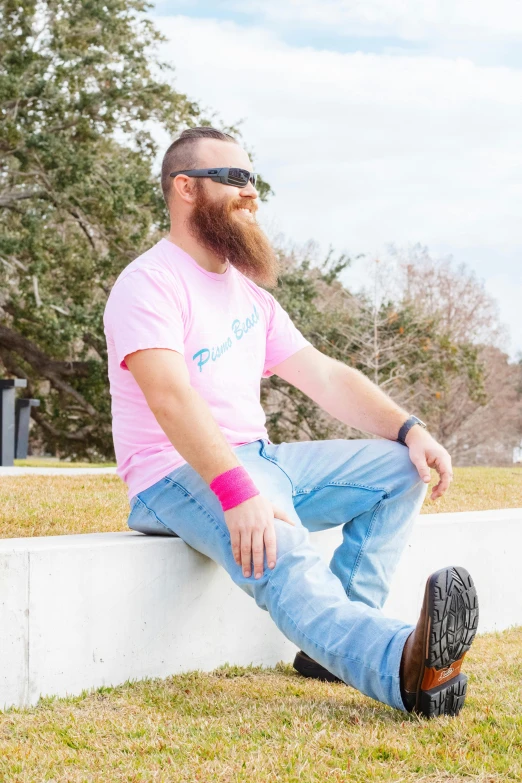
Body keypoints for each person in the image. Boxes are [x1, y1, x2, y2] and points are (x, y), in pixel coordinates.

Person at [103, 126, 479, 719]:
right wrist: (236, 489)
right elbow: (170, 398)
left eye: (255, 180)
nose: (251, 193)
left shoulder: (248, 296)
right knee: (284, 550)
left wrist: (411, 431)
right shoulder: (148, 283)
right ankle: (398, 668)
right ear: (185, 188)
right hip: (173, 476)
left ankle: (332, 650)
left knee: (397, 470)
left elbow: (326, 376)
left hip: (257, 458)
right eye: (234, 179)